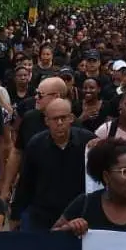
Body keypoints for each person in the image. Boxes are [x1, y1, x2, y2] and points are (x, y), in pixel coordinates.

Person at [11, 99, 94, 231]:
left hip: (79, 216)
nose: (60, 123)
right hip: (42, 215)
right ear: (46, 121)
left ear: (71, 118)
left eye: (63, 118)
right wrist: (15, 215)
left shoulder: (88, 141)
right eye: (55, 119)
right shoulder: (35, 144)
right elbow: (26, 181)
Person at [0, 77, 67, 201]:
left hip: (58, 193)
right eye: (36, 93)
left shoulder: (72, 124)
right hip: (28, 189)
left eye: (40, 95)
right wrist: (6, 187)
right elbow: (17, 152)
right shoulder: (30, 118)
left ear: (56, 96)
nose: (36, 97)